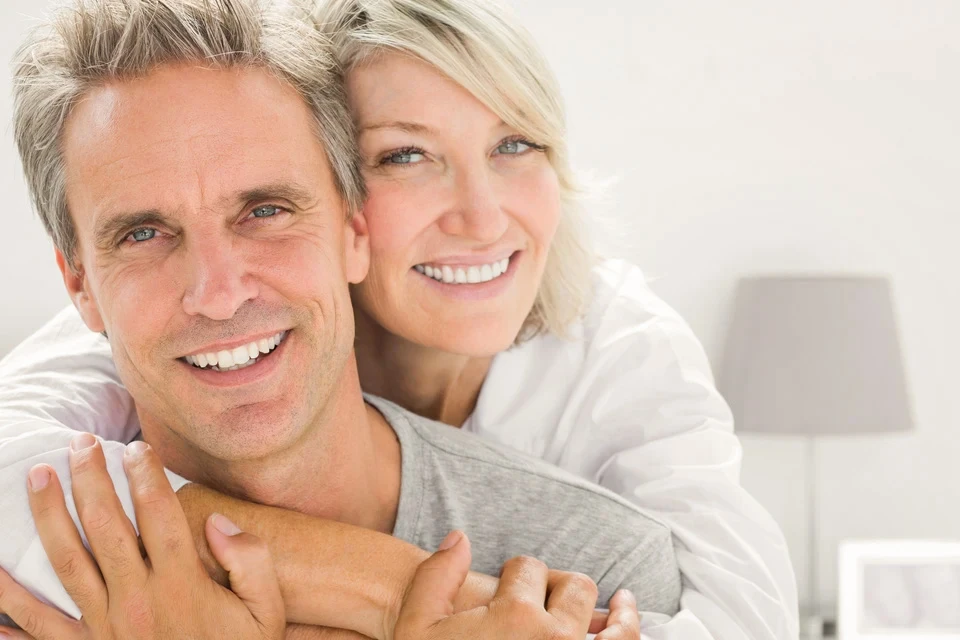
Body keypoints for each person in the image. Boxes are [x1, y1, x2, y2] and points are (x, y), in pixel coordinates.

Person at [0, 0, 798, 638]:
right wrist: (404, 598)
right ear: (80, 286)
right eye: (142, 234)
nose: (216, 290)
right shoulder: (34, 557)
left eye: (267, 210)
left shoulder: (596, 570)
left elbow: (749, 613)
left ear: (351, 228)